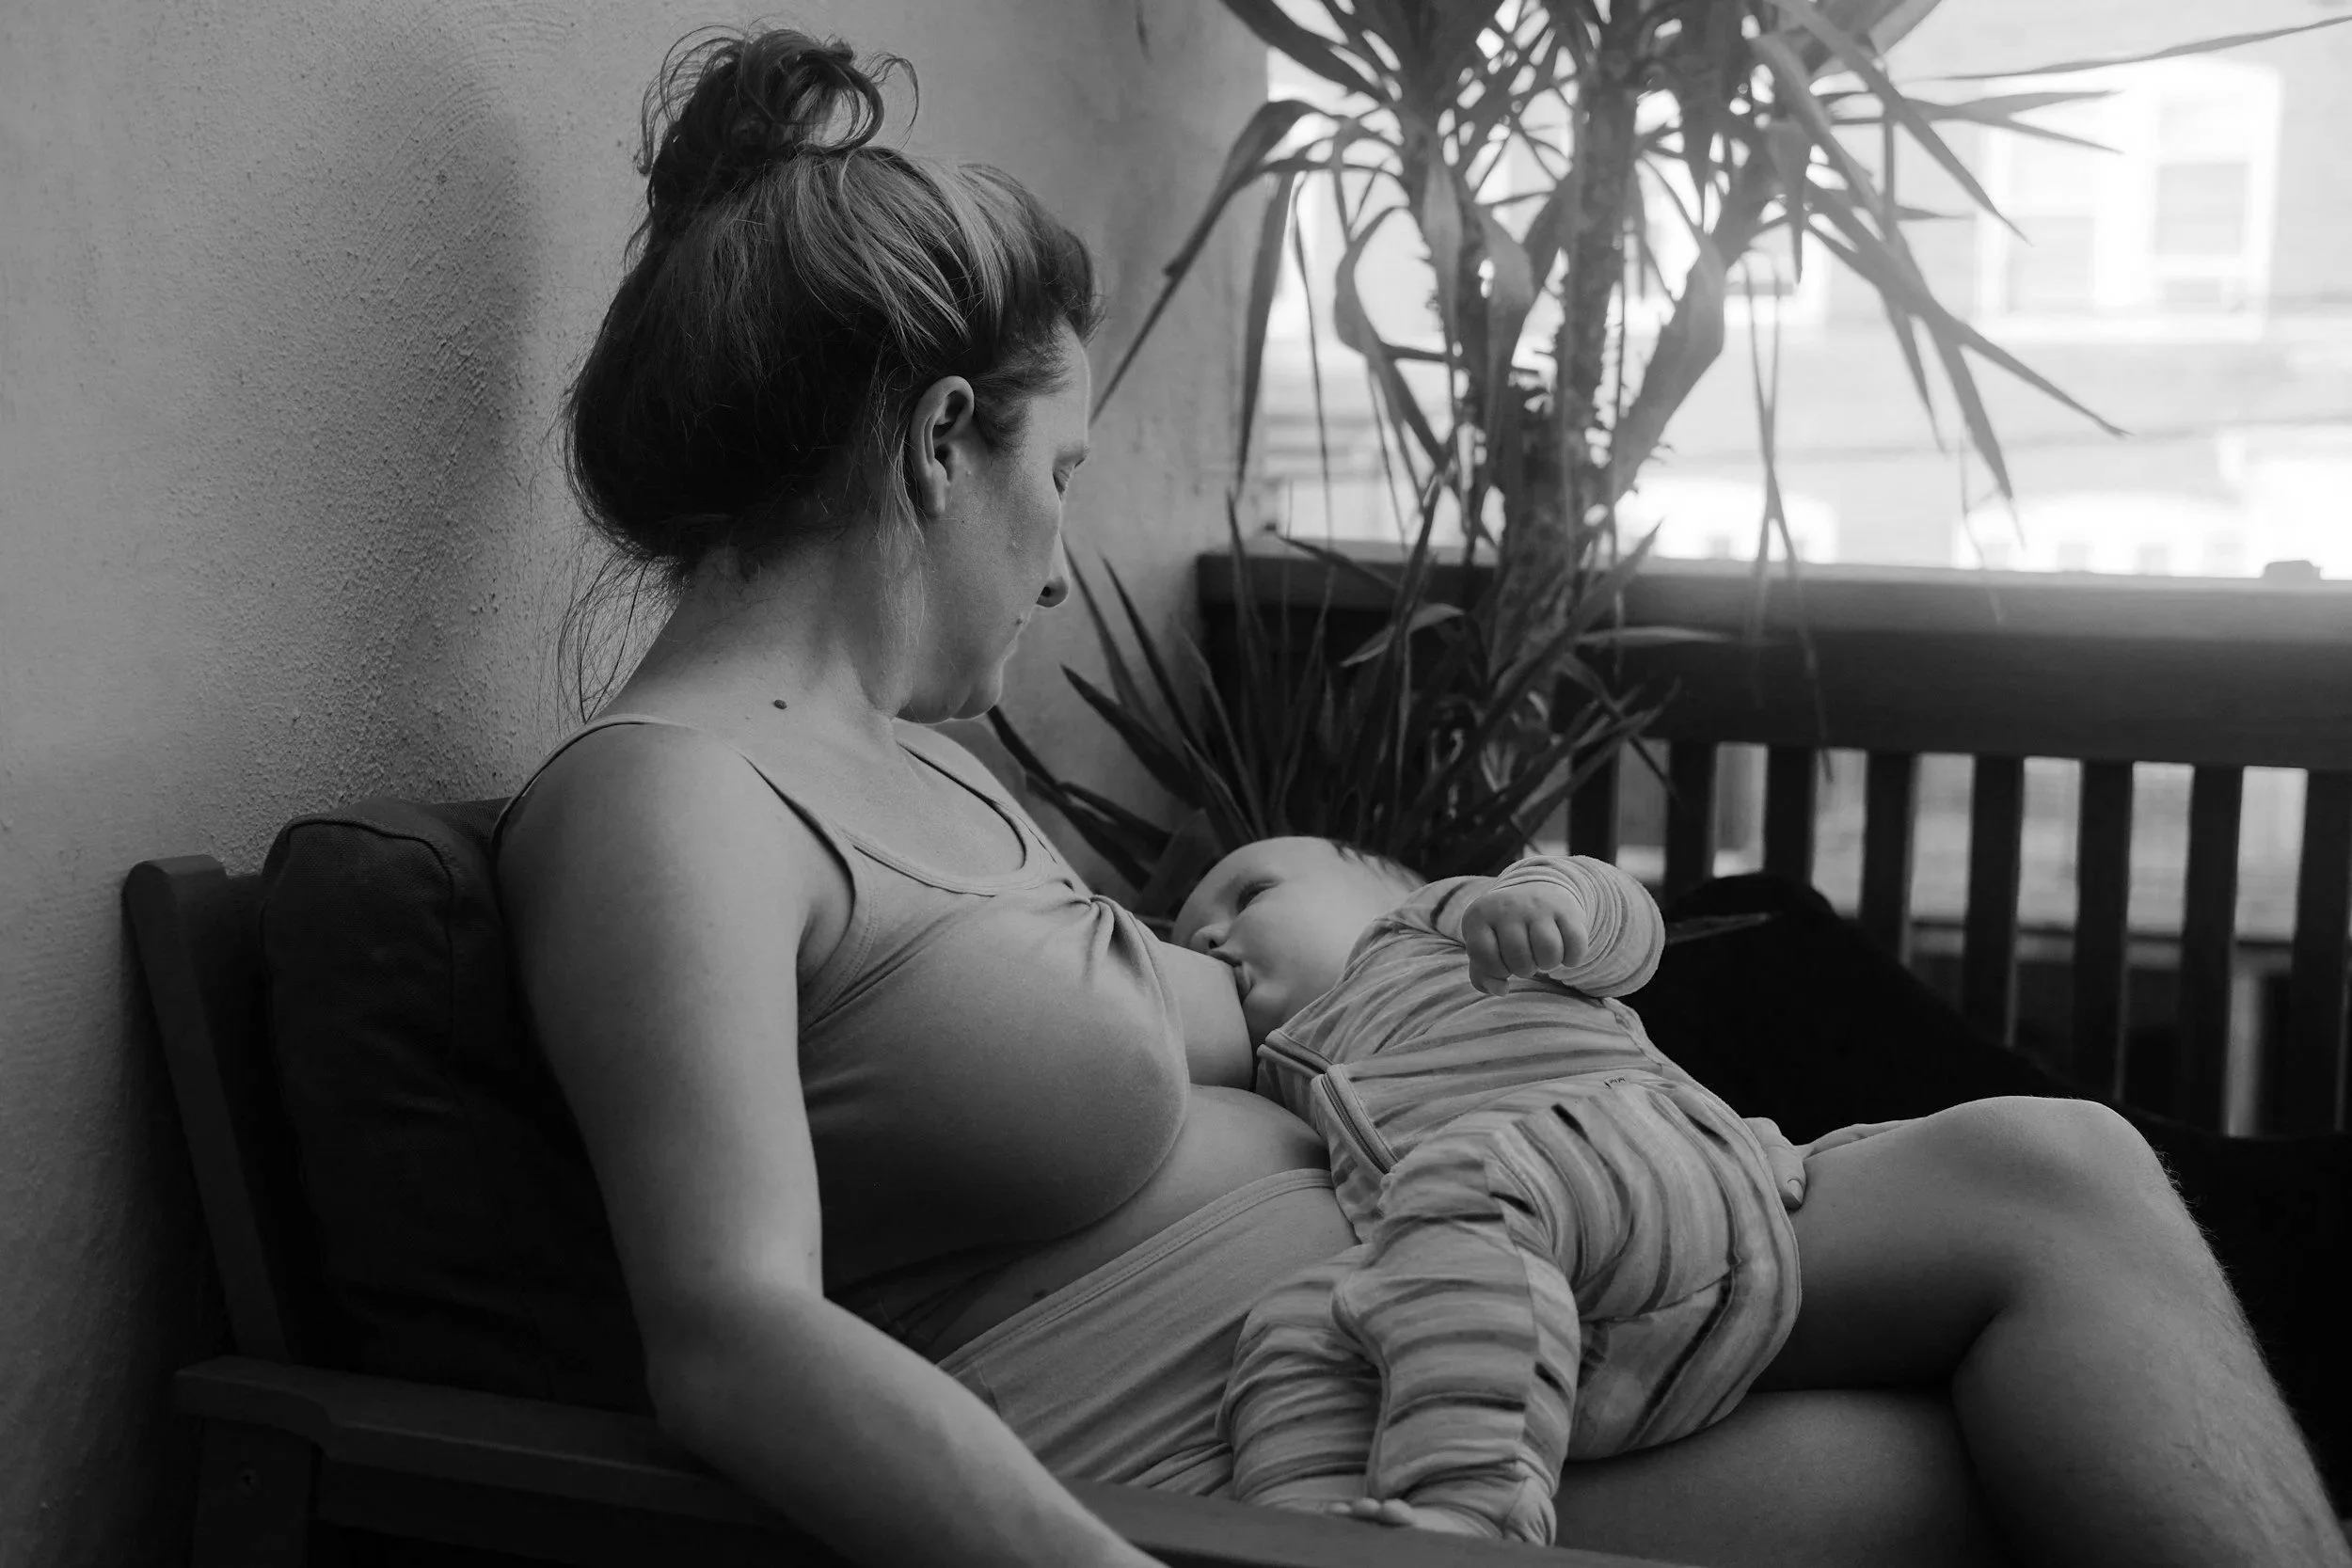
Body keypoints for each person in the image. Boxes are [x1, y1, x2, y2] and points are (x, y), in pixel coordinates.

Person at [488, 24, 2351, 1568]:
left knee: (2050, 1206)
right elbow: (732, 1336)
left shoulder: (930, 777)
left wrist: (1422, 931)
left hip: (1461, 1319)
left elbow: (1267, 1009)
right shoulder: (669, 809)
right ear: (939, 441)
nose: (1058, 564)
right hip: (1238, 1469)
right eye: (1056, 471)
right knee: (1992, 1402)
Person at [1186, 841, 1802, 1544]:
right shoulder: (1278, 1085)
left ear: (1375, 889)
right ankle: (1314, 1531)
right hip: (1582, 1364)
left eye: (1248, 895)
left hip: (1633, 1161)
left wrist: (1549, 902)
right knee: (1295, 1321)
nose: (1206, 935)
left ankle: (1473, 1521)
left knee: (1461, 1179)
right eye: (1183, 940)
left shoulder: (1425, 930)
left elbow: (1623, 927)